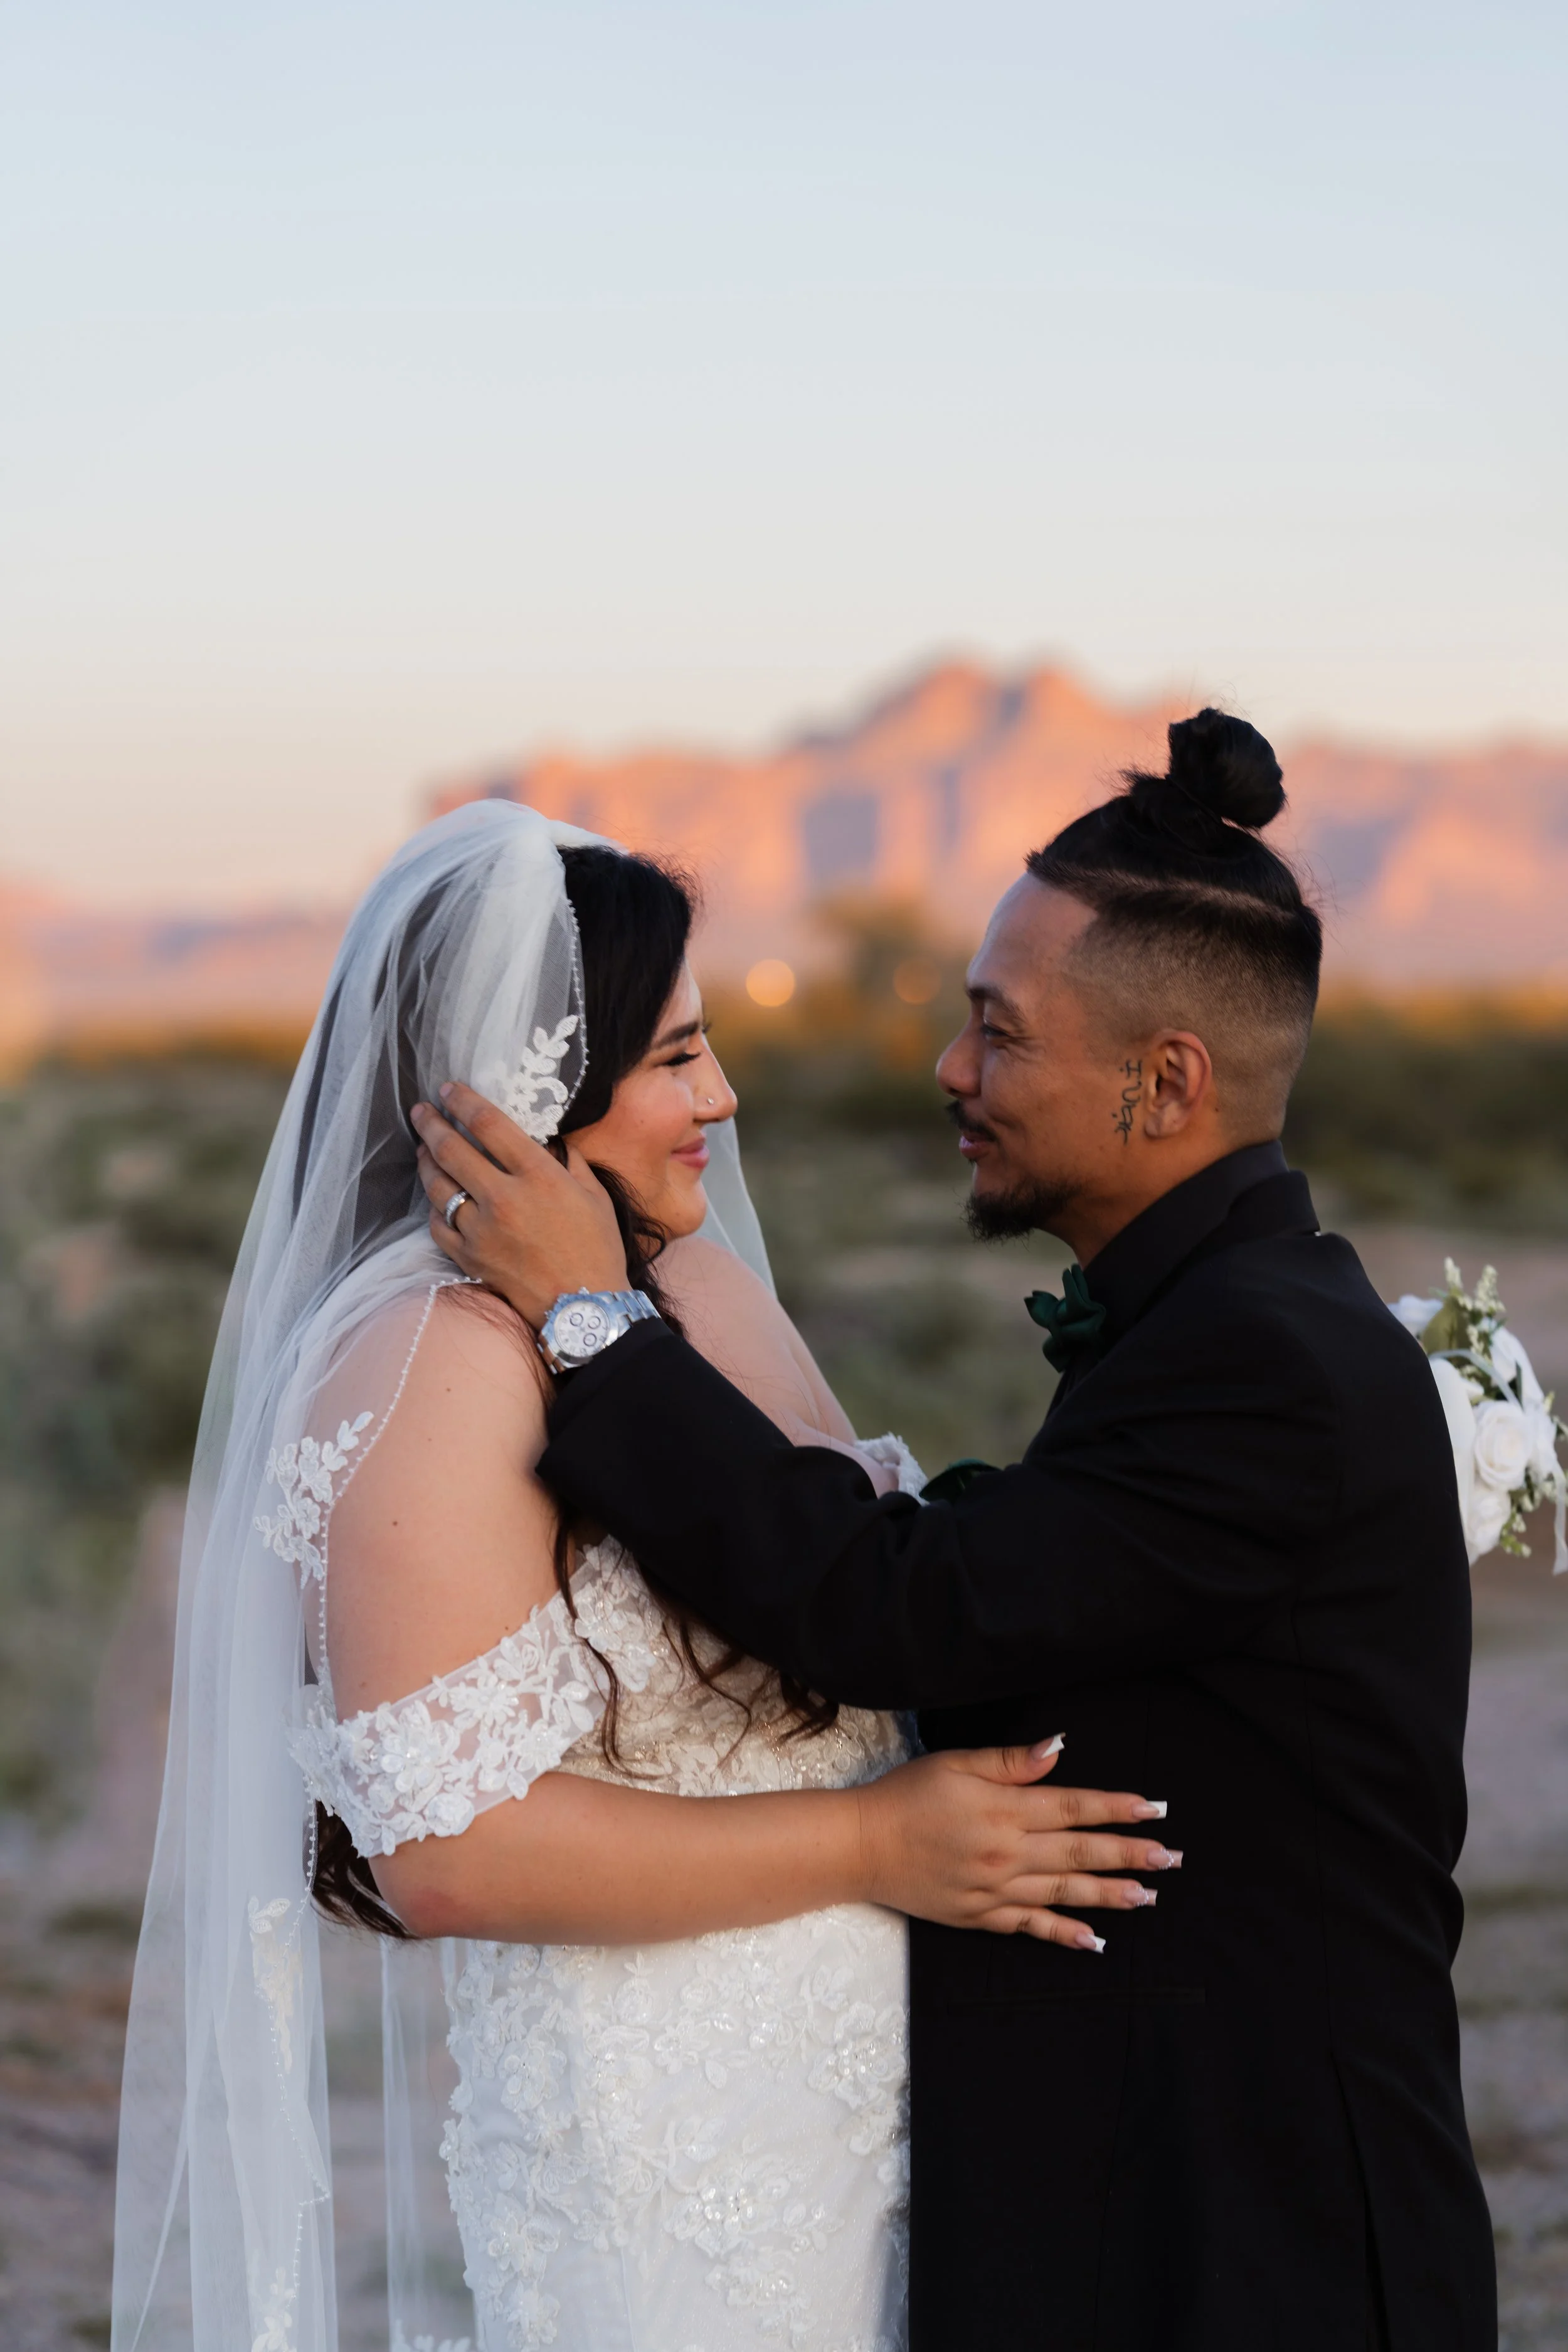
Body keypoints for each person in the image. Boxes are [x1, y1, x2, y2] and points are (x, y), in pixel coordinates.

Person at [411, 711, 1499, 2352]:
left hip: (1255, 2233)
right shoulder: (1235, 1315)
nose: (948, 1067)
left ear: (1166, 1079)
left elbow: (887, 1606)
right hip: (1163, 2191)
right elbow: (1027, 1573)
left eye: (999, 1032)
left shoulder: (1260, 1357)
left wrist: (588, 1315)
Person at [112, 800, 1170, 2352]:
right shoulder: (425, 1365)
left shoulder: (686, 1279)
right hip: (671, 2148)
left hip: (877, 2104)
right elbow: (450, 1855)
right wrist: (875, 1842)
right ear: (529, 1080)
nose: (722, 1097)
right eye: (676, 1057)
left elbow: (863, 1587)